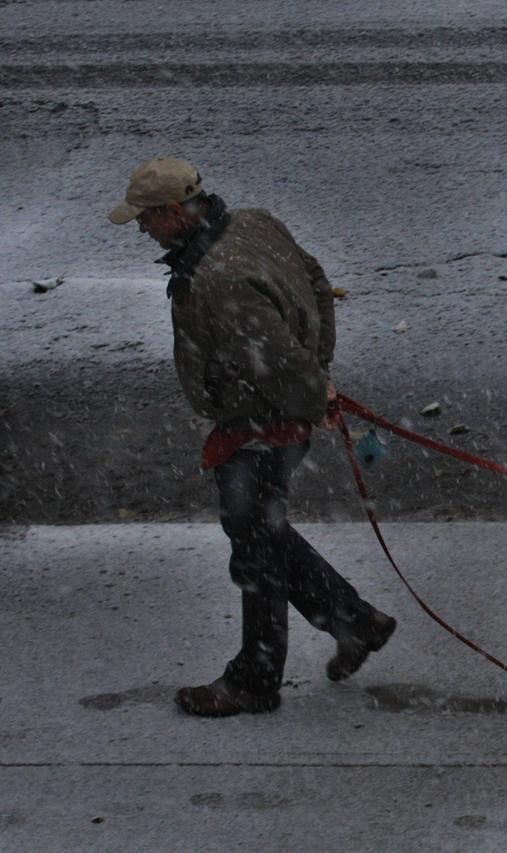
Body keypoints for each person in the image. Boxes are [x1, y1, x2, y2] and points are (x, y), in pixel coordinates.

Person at [109, 157, 396, 717]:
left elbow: (275, 359)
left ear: (173, 212)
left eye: (145, 219)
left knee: (255, 549)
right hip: (274, 415)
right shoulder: (252, 223)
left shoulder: (218, 279)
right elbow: (315, 281)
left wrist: (317, 394)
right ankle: (353, 623)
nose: (141, 230)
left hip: (261, 425)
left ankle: (256, 679)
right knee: (260, 532)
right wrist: (322, 370)